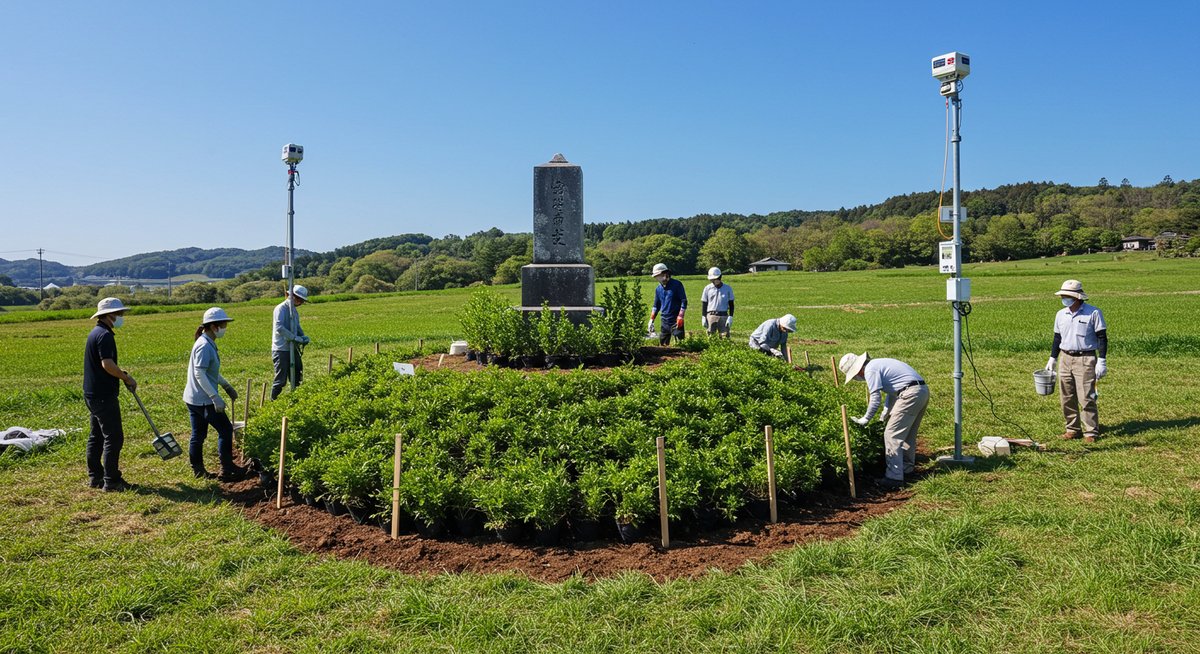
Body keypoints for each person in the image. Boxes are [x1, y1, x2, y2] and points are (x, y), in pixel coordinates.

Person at [840, 352, 929, 489]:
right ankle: (906, 469)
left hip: (910, 394)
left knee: (891, 434)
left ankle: (894, 478)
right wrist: (885, 413)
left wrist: (865, 418)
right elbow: (893, 392)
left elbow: (875, 398)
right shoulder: (878, 363)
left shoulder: (870, 370)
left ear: (858, 370)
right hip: (921, 390)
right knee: (907, 433)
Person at [184, 307, 247, 480]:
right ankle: (227, 469)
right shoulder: (204, 346)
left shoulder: (207, 342)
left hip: (193, 397)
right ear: (213, 326)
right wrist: (214, 396)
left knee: (199, 434)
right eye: (224, 324)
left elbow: (210, 372)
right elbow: (199, 373)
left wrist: (226, 386)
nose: (225, 327)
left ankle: (198, 470)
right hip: (203, 399)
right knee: (225, 430)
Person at [83, 297, 138, 492]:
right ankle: (111, 480)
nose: (122, 317)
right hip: (103, 395)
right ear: (109, 315)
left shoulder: (96, 333)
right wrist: (126, 378)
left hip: (92, 393)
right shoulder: (104, 336)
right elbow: (107, 364)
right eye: (120, 314)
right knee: (114, 437)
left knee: (97, 436)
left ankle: (95, 476)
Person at [1045, 279, 1107, 443]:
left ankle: (1091, 432)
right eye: (1063, 296)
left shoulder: (1093, 313)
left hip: (1085, 358)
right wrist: (1053, 358)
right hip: (1065, 357)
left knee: (1087, 396)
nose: (1064, 299)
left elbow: (1102, 338)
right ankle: (1072, 429)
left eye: (1067, 296)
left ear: (1077, 297)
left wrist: (1101, 360)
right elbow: (1057, 338)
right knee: (1066, 395)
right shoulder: (1061, 314)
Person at [271, 285, 311, 400]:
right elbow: (279, 327)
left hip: (293, 348)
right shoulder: (281, 308)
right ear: (291, 296)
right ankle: (273, 402)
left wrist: (303, 337)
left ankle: (296, 399)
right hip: (281, 349)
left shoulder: (294, 311)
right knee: (281, 379)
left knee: (297, 374)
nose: (300, 302)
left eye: (302, 301)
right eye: (299, 299)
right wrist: (294, 338)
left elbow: (297, 326)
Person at [647, 263, 687, 346]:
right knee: (663, 344)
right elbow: (656, 305)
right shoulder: (658, 289)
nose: (658, 279)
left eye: (659, 276)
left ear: (665, 274)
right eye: (656, 277)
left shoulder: (677, 285)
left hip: (675, 319)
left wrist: (680, 316)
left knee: (680, 343)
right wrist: (651, 320)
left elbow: (684, 301)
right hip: (664, 320)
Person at [700, 267, 735, 337]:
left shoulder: (728, 288)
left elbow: (731, 304)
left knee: (725, 337)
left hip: (723, 316)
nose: (713, 281)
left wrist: (730, 316)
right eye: (712, 280)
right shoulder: (707, 288)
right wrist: (703, 316)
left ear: (720, 277)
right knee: (711, 337)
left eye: (715, 279)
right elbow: (704, 303)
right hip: (711, 315)